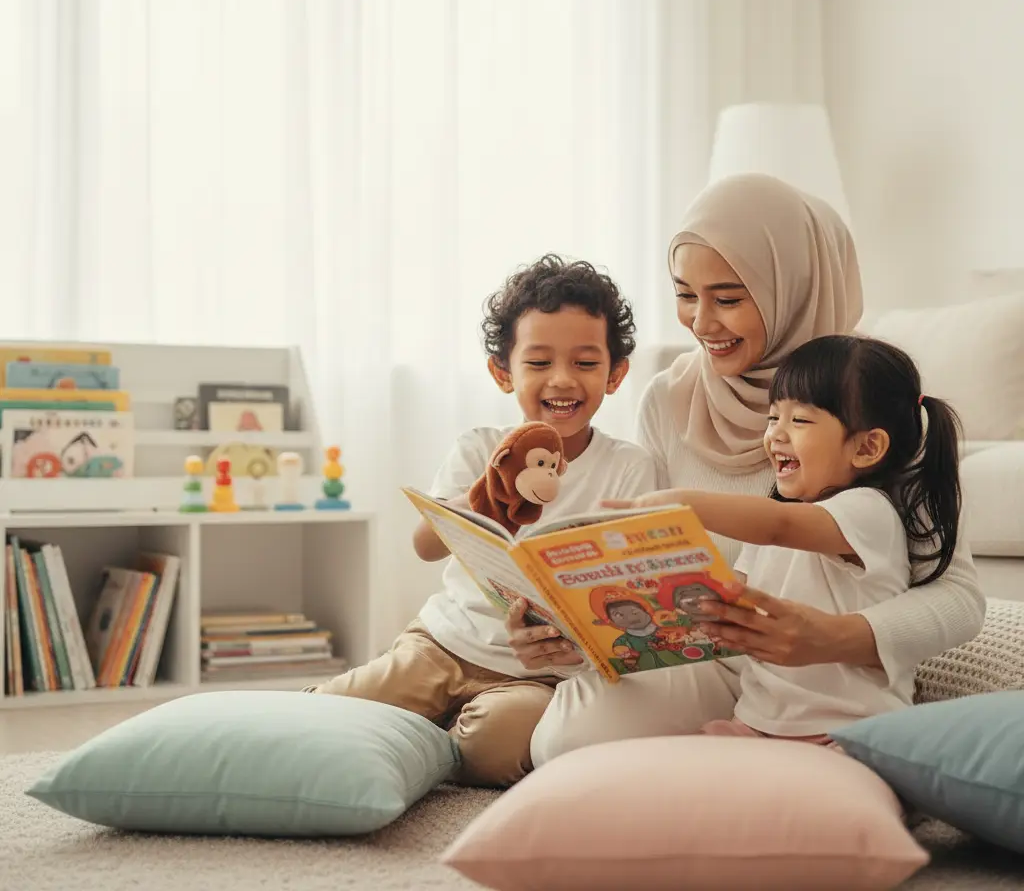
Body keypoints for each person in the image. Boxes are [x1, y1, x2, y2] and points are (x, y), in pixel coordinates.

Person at [509, 174, 985, 765]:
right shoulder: (669, 399)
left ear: (791, 288)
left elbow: (961, 597)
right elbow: (646, 574)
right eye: (686, 294)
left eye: (728, 298)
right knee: (562, 744)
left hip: (826, 681)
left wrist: (830, 638)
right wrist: (574, 638)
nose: (701, 322)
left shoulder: (877, 404)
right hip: (708, 658)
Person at [305, 254, 658, 787]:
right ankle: (414, 720)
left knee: (497, 750)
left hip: (538, 673)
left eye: (585, 363)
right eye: (538, 363)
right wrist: (493, 488)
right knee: (328, 717)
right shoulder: (478, 448)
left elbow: (630, 587)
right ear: (502, 373)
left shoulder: (630, 467)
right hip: (444, 643)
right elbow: (426, 546)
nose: (561, 380)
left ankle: (428, 734)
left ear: (615, 375)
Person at [606, 333, 963, 746]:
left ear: (866, 447)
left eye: (800, 420)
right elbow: (733, 594)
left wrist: (679, 503)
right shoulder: (769, 524)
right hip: (757, 723)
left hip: (846, 731)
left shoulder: (870, 512)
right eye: (774, 417)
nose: (775, 434)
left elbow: (780, 525)